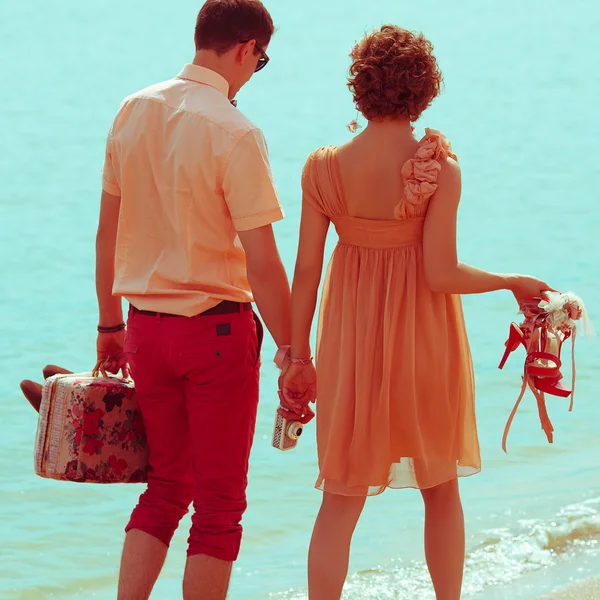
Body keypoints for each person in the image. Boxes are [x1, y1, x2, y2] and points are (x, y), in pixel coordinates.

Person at [280, 25, 553, 600]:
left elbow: (305, 271)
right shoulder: (442, 172)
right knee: (440, 488)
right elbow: (440, 274)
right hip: (424, 338)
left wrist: (297, 353)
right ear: (424, 91)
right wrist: (511, 282)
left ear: (361, 87)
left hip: (349, 341)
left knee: (340, 498)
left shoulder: (322, 168)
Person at [95, 1, 291, 599]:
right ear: (244, 47)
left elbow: (108, 231)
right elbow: (262, 260)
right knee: (220, 507)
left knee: (164, 487)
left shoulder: (134, 108)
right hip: (217, 335)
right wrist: (294, 350)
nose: (256, 70)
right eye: (262, 59)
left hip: (144, 330)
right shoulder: (236, 131)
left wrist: (109, 327)